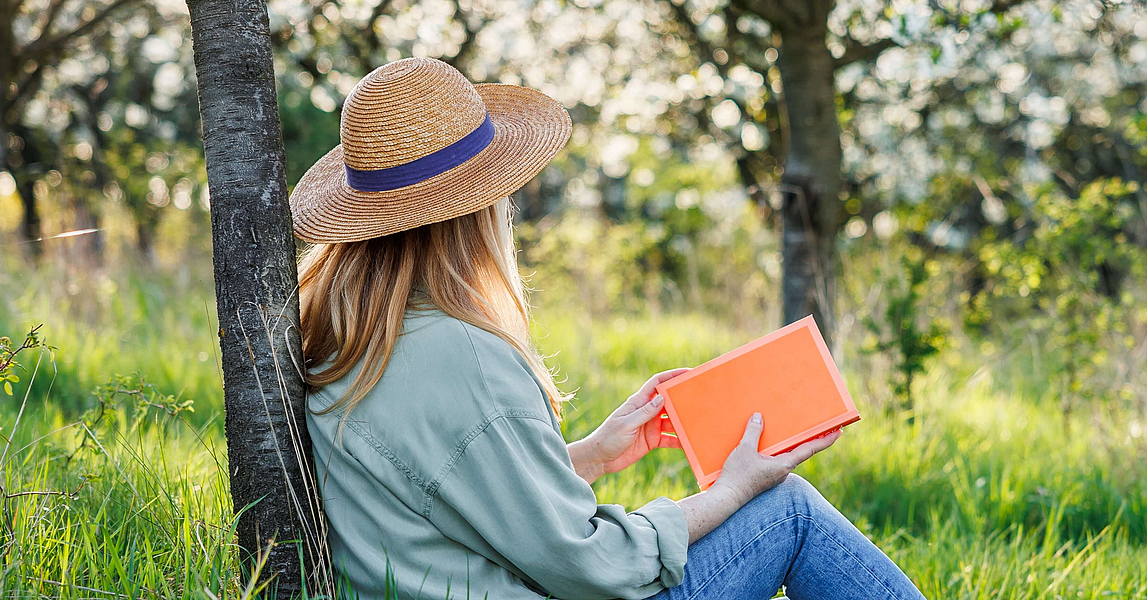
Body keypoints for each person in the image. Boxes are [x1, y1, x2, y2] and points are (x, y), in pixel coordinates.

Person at [291, 57, 927, 600]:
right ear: (478, 208)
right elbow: (590, 566)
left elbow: (454, 497)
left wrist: (596, 453)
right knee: (787, 511)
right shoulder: (463, 354)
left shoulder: (344, 339)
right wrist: (733, 490)